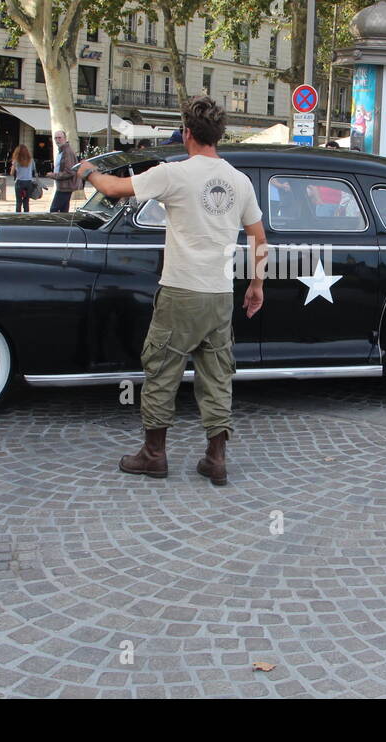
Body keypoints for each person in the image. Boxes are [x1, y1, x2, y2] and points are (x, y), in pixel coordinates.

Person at [78, 95, 267, 486]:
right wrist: (256, 283)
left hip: (181, 291)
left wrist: (88, 171)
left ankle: (154, 455)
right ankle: (216, 459)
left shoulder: (173, 174)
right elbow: (258, 237)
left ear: (187, 133)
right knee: (217, 376)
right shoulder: (239, 181)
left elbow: (114, 188)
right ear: (219, 134)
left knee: (162, 369)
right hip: (219, 295)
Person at [46, 130, 81, 213]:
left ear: (65, 139)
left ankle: (56, 225)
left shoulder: (67, 152)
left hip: (65, 187)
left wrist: (53, 175)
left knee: (53, 210)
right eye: (55, 138)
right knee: (63, 212)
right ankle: (64, 225)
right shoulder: (62, 151)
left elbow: (69, 172)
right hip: (63, 187)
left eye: (59, 138)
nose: (57, 140)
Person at [9, 144, 35, 213]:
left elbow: (11, 173)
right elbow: (33, 170)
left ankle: (18, 217)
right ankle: (26, 216)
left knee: (18, 201)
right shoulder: (31, 160)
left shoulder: (16, 160)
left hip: (19, 182)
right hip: (29, 182)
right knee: (26, 202)